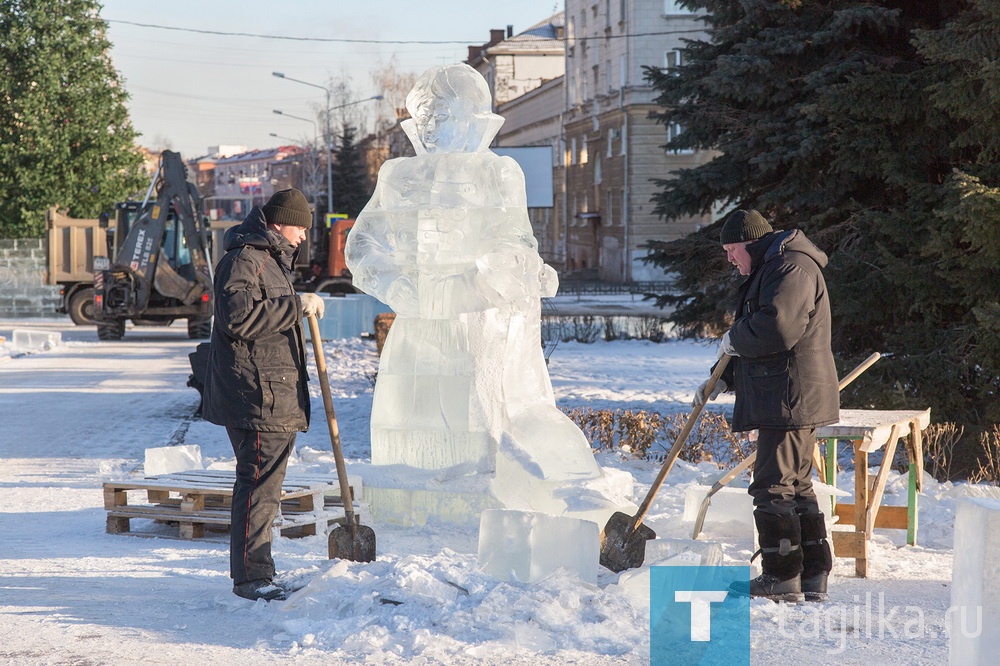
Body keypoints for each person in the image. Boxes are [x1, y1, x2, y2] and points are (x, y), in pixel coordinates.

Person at [693, 209, 839, 602]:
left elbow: (777, 328)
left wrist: (733, 338)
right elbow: (764, 332)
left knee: (773, 487)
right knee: (795, 485)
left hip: (790, 396)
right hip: (789, 393)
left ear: (751, 243)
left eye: (731, 249)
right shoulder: (775, 265)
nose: (729, 258)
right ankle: (810, 575)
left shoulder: (791, 268)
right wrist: (723, 376)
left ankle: (781, 577)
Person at [202, 188, 326, 602]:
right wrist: (295, 305)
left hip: (271, 393)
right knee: (257, 487)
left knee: (265, 488)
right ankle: (251, 579)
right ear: (278, 223)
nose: (304, 237)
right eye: (299, 227)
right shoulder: (245, 260)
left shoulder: (268, 260)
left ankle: (259, 573)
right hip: (256, 396)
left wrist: (293, 302)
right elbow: (237, 319)